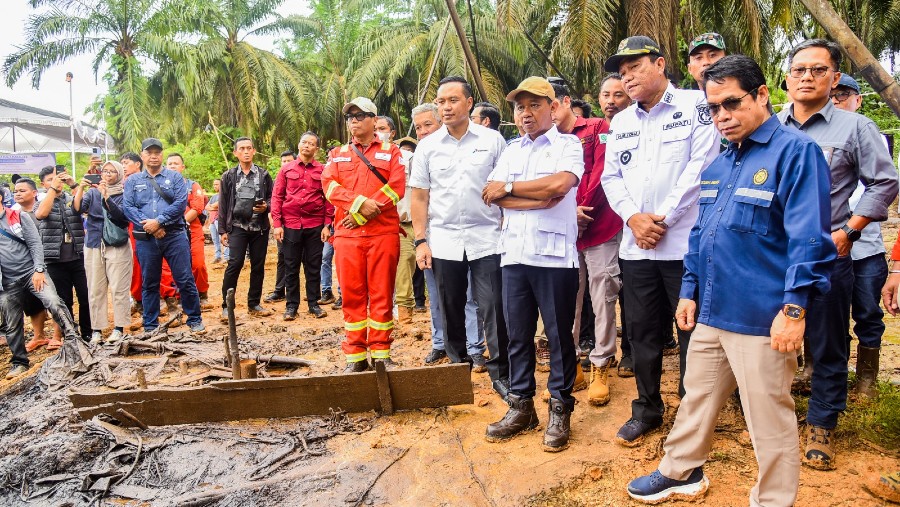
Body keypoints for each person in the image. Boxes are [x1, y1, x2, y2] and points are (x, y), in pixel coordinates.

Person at [626, 54, 837, 507]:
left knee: (768, 416)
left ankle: (774, 499)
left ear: (762, 95)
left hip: (764, 318)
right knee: (697, 395)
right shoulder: (721, 163)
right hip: (714, 311)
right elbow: (702, 234)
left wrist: (794, 310)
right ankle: (679, 471)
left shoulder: (795, 153)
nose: (722, 116)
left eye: (732, 103)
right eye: (713, 108)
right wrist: (688, 290)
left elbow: (808, 240)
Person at [777, 39, 898, 470]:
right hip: (774, 258)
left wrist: (850, 230)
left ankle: (822, 425)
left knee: (828, 344)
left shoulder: (855, 127)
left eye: (817, 70)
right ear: (786, 79)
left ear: (833, 78)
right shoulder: (771, 127)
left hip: (828, 255)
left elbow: (885, 182)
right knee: (774, 341)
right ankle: (775, 422)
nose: (806, 77)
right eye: (798, 70)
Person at [600, 36, 720, 447]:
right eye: (622, 71)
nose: (627, 77)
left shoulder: (696, 106)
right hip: (637, 249)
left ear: (661, 63)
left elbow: (700, 169)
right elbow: (610, 178)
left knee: (693, 335)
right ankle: (647, 409)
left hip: (685, 247)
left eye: (635, 67)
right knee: (642, 333)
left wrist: (660, 219)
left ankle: (692, 416)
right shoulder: (621, 122)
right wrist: (634, 219)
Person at [482, 76, 583, 452]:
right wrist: (534, 196)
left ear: (552, 107)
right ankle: (521, 406)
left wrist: (511, 189)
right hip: (514, 256)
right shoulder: (511, 151)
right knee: (517, 335)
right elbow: (491, 195)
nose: (526, 113)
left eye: (534, 105)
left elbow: (559, 186)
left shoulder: (568, 144)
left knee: (558, 337)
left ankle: (561, 408)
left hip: (555, 258)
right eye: (520, 107)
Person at [411, 76, 509, 390]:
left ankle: (500, 375)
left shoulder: (492, 141)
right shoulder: (427, 147)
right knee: (450, 307)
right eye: (441, 101)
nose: (446, 107)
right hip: (443, 242)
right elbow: (420, 197)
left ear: (468, 103)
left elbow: (505, 189)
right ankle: (458, 371)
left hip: (487, 239)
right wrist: (421, 240)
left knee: (494, 306)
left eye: (453, 100)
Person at [548, 79, 622, 406]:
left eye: (549, 103)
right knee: (566, 299)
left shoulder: (598, 128)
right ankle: (572, 363)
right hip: (561, 233)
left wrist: (577, 210)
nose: (543, 112)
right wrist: (566, 214)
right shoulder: (539, 140)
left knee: (602, 293)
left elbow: (603, 173)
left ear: (565, 102)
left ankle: (601, 364)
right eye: (535, 106)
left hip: (599, 226)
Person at [323, 97, 405, 371]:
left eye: (360, 116)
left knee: (382, 293)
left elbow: (396, 188)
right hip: (348, 238)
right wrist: (358, 204)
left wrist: (360, 214)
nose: (354, 121)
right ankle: (355, 357)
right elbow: (329, 186)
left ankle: (381, 354)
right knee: (352, 294)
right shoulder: (337, 154)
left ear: (374, 119)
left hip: (382, 233)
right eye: (350, 117)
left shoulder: (391, 152)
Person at [832, 74, 888, 397]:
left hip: (864, 246)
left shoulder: (871, 135)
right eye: (834, 96)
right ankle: (823, 370)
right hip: (828, 246)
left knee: (867, 311)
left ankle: (866, 377)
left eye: (844, 95)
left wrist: (849, 226)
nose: (837, 100)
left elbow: (875, 191)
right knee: (828, 313)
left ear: (858, 100)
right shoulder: (816, 137)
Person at [123, 138, 206, 334]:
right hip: (147, 238)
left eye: (157, 152)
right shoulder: (133, 181)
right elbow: (128, 207)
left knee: (184, 278)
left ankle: (194, 319)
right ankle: (151, 324)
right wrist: (150, 226)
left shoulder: (175, 178)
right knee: (149, 281)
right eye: (149, 152)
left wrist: (159, 221)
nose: (153, 156)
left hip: (174, 236)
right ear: (142, 155)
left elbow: (179, 204)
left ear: (162, 155)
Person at [0, 203, 81, 378]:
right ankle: (19, 362)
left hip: (31, 272)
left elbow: (35, 243)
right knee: (12, 322)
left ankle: (75, 342)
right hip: (6, 281)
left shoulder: (18, 216)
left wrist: (39, 269)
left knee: (53, 301)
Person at [596, 73, 636, 378]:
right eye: (606, 95)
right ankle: (603, 349)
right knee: (608, 289)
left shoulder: (640, 127)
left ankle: (632, 351)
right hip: (604, 225)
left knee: (632, 292)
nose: (611, 101)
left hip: (639, 223)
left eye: (618, 95)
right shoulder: (595, 131)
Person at [271, 132, 333, 320]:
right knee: (291, 266)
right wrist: (277, 224)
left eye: (311, 143)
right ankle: (291, 306)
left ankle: (314, 304)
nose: (307, 146)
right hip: (290, 225)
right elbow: (277, 196)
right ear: (298, 145)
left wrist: (327, 225)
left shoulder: (323, 171)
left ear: (317, 149)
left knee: (313, 266)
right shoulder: (286, 169)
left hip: (315, 225)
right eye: (304, 142)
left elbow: (328, 199)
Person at [73, 161, 133, 344]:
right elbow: (77, 209)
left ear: (120, 174)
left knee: (119, 288)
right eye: (105, 171)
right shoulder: (92, 192)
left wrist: (107, 197)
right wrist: (80, 189)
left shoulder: (124, 194)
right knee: (95, 289)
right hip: (93, 243)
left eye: (112, 171)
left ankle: (119, 328)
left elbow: (122, 217)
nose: (108, 174)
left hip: (117, 244)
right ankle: (97, 329)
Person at [218, 137, 275, 320]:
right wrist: (222, 230)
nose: (246, 151)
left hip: (259, 227)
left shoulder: (264, 175)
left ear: (254, 151)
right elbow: (223, 204)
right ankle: (227, 306)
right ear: (235, 153)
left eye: (249, 148)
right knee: (235, 264)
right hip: (237, 226)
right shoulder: (229, 176)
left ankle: (254, 304)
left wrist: (266, 206)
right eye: (242, 148)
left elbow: (273, 198)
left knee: (258, 265)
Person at [35, 165, 92, 343]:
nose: (57, 181)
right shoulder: (42, 201)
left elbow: (82, 208)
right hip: (55, 260)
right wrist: (53, 189)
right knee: (64, 300)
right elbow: (41, 214)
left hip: (78, 256)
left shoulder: (70, 198)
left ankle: (88, 332)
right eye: (50, 179)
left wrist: (74, 184)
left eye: (58, 177)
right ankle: (70, 334)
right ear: (43, 184)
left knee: (85, 296)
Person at [165, 153, 211, 308]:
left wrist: (181, 222)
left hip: (192, 230)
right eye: (169, 163)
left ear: (182, 167)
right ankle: (175, 297)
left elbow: (197, 207)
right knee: (171, 267)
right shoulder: (161, 187)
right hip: (169, 233)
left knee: (197, 263)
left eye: (176, 163)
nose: (172, 166)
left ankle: (202, 293)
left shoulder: (192, 186)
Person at [12, 178, 51, 352]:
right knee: (31, 301)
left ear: (34, 193)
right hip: (26, 263)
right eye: (15, 191)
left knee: (53, 298)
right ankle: (39, 336)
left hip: (50, 258)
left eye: (22, 190)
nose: (18, 194)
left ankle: (58, 335)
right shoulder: (11, 213)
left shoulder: (43, 207)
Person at [206, 179, 228, 264]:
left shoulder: (224, 195)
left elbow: (218, 205)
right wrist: (213, 207)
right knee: (215, 239)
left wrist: (213, 206)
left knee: (223, 238)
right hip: (212, 220)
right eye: (214, 184)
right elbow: (207, 207)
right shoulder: (213, 196)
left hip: (220, 219)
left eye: (217, 184)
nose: (215, 186)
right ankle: (218, 256)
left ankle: (226, 256)